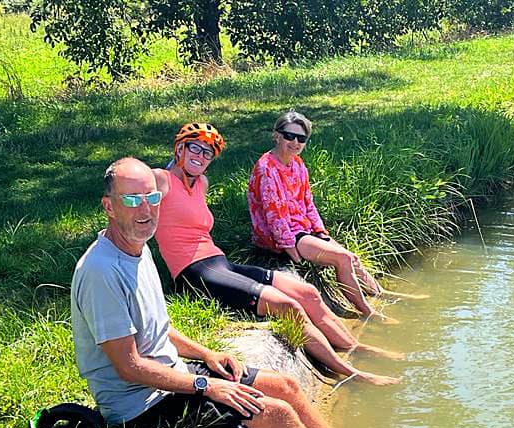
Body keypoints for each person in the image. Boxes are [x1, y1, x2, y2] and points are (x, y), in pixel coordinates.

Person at [70, 157, 438, 428]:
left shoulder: (137, 248)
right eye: (132, 199)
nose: (145, 209)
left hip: (172, 378)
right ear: (109, 206)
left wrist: (206, 355)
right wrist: (206, 385)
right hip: (140, 409)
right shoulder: (102, 272)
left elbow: (157, 329)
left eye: (152, 197)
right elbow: (129, 366)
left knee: (285, 386)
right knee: (276, 414)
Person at [152, 123, 400, 387]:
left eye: (207, 153)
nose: (200, 156)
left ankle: (355, 347)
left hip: (220, 262)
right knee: (288, 306)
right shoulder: (160, 179)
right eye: (195, 148)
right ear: (180, 148)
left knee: (308, 293)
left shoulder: (201, 183)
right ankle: (352, 374)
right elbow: (131, 186)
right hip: (195, 273)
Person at [248, 112, 425, 319]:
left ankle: (380, 293)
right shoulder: (266, 168)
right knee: (343, 259)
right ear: (277, 135)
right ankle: (369, 314)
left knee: (352, 258)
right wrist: (293, 253)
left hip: (302, 229)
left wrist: (320, 232)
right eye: (289, 136)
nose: (295, 142)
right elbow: (275, 218)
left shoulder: (298, 164)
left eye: (301, 138)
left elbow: (308, 203)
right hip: (282, 238)